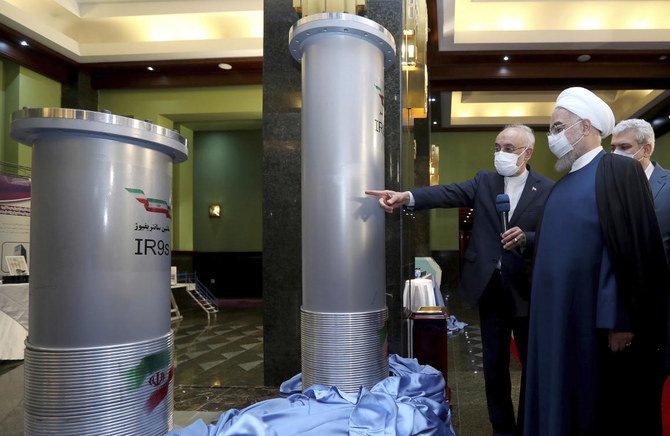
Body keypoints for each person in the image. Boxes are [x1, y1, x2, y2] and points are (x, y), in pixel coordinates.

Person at [366, 124, 554, 436]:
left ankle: (530, 426)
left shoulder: (546, 189)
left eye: (509, 148)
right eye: (497, 147)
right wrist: (406, 196)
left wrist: (528, 237)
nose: (501, 154)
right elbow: (446, 192)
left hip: (527, 290)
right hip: (491, 289)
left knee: (533, 367)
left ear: (527, 153)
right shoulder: (485, 181)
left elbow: (554, 232)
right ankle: (503, 429)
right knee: (494, 368)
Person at [524, 87, 670, 436]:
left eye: (558, 127)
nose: (552, 136)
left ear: (585, 126)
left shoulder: (618, 171)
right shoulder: (563, 185)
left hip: (593, 324)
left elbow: (630, 249)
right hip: (555, 319)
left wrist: (621, 320)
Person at [610, 118, 670, 263]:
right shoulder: (607, 187)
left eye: (624, 147)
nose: (615, 154)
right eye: (613, 148)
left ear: (646, 150)